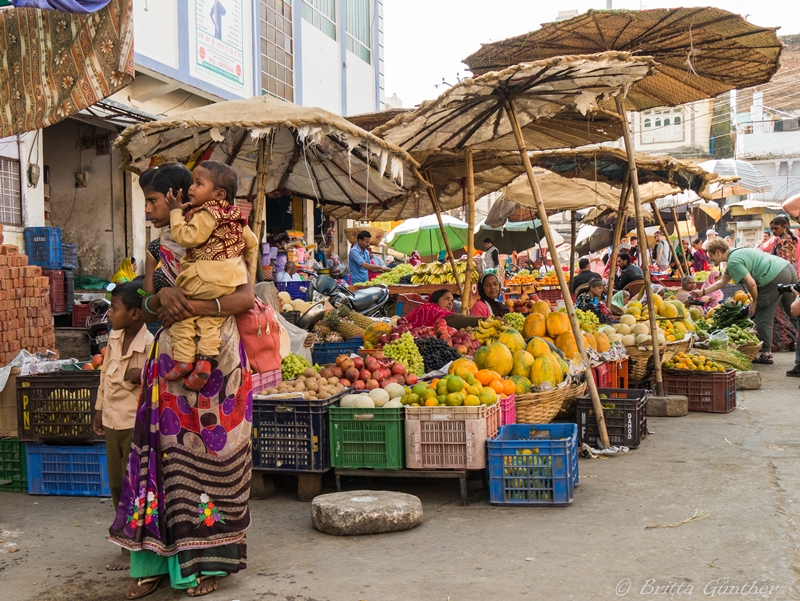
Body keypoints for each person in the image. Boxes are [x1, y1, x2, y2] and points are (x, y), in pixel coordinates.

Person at [117, 162, 255, 599]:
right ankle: (156, 558)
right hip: (172, 365)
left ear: (180, 194)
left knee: (215, 459)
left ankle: (209, 561)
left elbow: (247, 296)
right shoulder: (159, 245)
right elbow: (148, 303)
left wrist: (198, 306)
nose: (149, 210)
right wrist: (162, 295)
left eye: (154, 201)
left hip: (220, 366)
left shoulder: (228, 232)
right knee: (164, 459)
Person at [163, 160, 258, 390]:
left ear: (219, 193)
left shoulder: (206, 213)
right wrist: (242, 265)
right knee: (210, 319)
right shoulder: (235, 215)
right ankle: (204, 362)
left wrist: (176, 213)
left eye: (198, 183)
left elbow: (187, 238)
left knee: (183, 313)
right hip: (229, 279)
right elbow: (252, 242)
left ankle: (185, 360)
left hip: (204, 274)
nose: (191, 189)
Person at [92, 280, 154, 573]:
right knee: (117, 484)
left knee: (135, 486)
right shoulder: (113, 339)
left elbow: (160, 382)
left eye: (115, 309)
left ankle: (137, 544)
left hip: (134, 424)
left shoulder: (150, 345)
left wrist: (141, 374)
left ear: (135, 314)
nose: (110, 315)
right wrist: (98, 410)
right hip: (112, 422)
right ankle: (123, 542)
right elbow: (104, 378)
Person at [692, 238, 799, 368]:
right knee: (794, 312)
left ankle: (766, 354)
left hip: (773, 277)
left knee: (763, 316)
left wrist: (754, 302)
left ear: (719, 252)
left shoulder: (733, 262)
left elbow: (751, 283)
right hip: (786, 269)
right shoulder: (737, 253)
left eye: (711, 255)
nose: (711, 259)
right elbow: (722, 282)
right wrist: (702, 292)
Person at [769, 215, 799, 353]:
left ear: (784, 227)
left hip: (782, 278)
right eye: (771, 229)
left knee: (779, 312)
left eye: (776, 228)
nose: (773, 231)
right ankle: (793, 342)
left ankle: (789, 338)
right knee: (790, 310)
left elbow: (782, 262)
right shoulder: (789, 240)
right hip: (791, 277)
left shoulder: (784, 242)